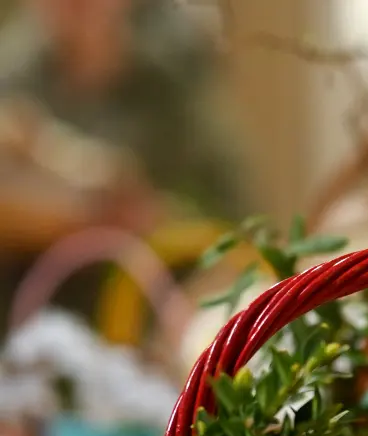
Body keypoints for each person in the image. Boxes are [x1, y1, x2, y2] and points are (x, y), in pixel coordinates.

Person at [0, 0, 248, 327]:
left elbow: (236, 223)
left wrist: (157, 220)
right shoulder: (11, 78)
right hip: (29, 322)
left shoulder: (171, 83)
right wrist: (69, 216)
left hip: (151, 320)